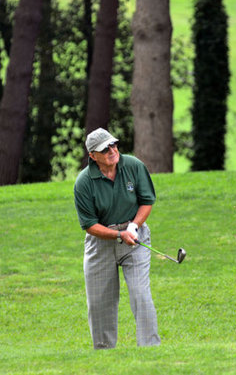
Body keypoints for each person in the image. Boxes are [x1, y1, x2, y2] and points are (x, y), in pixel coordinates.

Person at [73, 127, 161, 349]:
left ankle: (150, 350)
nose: (112, 150)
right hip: (101, 242)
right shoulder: (84, 182)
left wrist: (133, 226)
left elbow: (146, 201)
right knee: (99, 303)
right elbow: (90, 225)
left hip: (135, 237)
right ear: (93, 156)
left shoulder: (133, 166)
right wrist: (119, 235)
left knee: (141, 294)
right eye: (105, 149)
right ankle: (105, 353)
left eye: (113, 144)